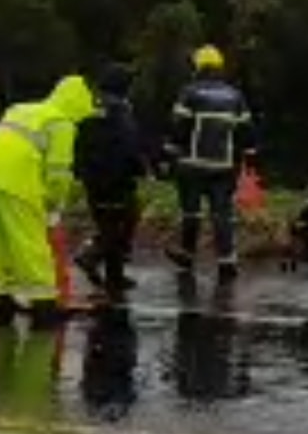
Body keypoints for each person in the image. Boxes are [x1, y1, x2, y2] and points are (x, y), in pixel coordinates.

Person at [0, 73, 97, 329]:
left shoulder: (23, 109)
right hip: (17, 180)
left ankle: (1, 296)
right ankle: (43, 303)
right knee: (28, 240)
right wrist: (53, 203)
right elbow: (58, 172)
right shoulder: (62, 123)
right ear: (78, 105)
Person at [164, 44, 256, 282]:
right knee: (222, 214)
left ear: (198, 66)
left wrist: (169, 153)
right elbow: (246, 131)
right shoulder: (235, 95)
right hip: (224, 167)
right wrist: (248, 156)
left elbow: (178, 127)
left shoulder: (189, 92)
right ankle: (227, 262)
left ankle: (187, 256)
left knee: (191, 213)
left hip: (192, 165)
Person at [73, 61, 150, 294]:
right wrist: (140, 167)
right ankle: (92, 256)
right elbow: (128, 144)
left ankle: (114, 276)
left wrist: (80, 169)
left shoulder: (90, 106)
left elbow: (80, 142)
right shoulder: (120, 110)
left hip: (92, 177)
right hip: (117, 178)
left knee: (107, 222)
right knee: (124, 221)